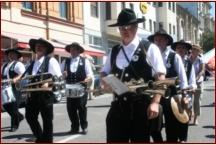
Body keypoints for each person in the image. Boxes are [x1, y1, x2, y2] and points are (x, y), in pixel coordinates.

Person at [100, 8, 166, 143]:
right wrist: (104, 82)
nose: (124, 30)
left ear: (136, 26)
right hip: (118, 108)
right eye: (121, 27)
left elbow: (160, 77)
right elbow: (104, 71)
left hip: (140, 109)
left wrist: (155, 102)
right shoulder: (114, 50)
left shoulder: (149, 48)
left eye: (127, 26)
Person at [147, 29, 189, 142]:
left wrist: (184, 96)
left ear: (167, 41)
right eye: (156, 39)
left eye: (160, 39)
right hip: (155, 95)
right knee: (153, 125)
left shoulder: (174, 56)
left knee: (172, 126)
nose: (157, 42)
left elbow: (183, 77)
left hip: (171, 96)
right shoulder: (149, 56)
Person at [25, 38, 62, 143]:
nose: (38, 47)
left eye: (41, 46)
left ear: (46, 49)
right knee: (30, 117)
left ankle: (47, 141)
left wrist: (48, 82)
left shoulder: (51, 60)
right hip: (33, 95)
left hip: (46, 95)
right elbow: (30, 80)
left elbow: (58, 77)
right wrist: (28, 94)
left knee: (47, 120)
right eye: (37, 46)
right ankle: (40, 136)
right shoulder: (33, 62)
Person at [61, 42, 93, 135]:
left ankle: (84, 126)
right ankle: (74, 127)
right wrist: (63, 75)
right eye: (71, 50)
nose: (73, 51)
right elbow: (60, 75)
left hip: (81, 88)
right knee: (71, 109)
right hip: (69, 88)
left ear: (79, 51)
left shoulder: (85, 61)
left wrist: (87, 79)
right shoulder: (65, 61)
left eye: (75, 49)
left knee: (81, 107)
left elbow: (89, 74)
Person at [171, 39, 197, 142]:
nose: (180, 49)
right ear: (176, 49)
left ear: (186, 49)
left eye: (183, 48)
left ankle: (183, 139)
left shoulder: (189, 62)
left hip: (185, 94)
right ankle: (173, 138)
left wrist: (193, 86)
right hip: (173, 93)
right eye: (178, 48)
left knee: (184, 116)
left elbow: (192, 77)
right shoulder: (171, 59)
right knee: (173, 118)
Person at [1, 48, 25, 132]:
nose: (10, 55)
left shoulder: (18, 64)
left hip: (15, 87)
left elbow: (22, 74)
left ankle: (14, 125)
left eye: (12, 53)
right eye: (9, 54)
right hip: (5, 87)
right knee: (5, 105)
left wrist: (15, 79)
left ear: (16, 55)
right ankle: (20, 116)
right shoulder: (4, 65)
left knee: (14, 106)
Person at [189, 44, 205, 126]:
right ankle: (190, 113)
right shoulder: (188, 59)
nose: (193, 50)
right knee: (189, 99)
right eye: (192, 49)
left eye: (195, 49)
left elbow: (202, 70)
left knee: (197, 101)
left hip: (198, 81)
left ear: (198, 51)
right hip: (190, 82)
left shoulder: (200, 59)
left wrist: (196, 78)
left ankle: (195, 118)